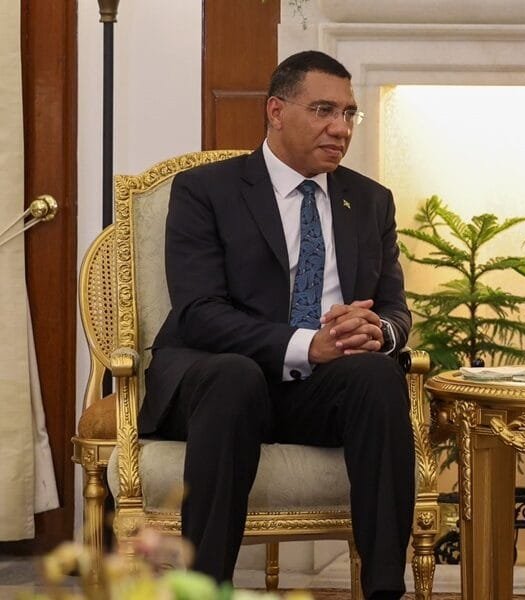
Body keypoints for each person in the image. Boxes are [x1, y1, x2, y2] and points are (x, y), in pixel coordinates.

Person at [143, 50, 414, 600]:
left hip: (320, 392)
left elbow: (394, 309)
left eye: (349, 114)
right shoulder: (206, 191)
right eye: (322, 110)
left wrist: (377, 334)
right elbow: (198, 311)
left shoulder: (369, 200)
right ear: (275, 110)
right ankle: (203, 589)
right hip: (221, 383)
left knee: (379, 377)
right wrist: (306, 344)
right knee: (233, 377)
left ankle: (385, 591)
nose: (340, 128)